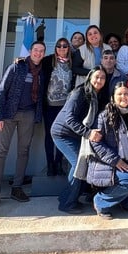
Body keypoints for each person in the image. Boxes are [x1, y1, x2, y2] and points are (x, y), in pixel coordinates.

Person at [0, 40, 47, 209]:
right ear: (30, 51)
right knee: (1, 152)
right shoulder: (16, 67)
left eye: (42, 51)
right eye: (36, 50)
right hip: (8, 115)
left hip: (28, 115)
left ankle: (17, 187)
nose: (38, 53)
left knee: (23, 151)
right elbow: (0, 91)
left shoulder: (42, 72)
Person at [87, 81, 128, 219]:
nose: (123, 97)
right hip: (110, 162)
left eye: (126, 94)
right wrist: (116, 160)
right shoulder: (104, 116)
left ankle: (125, 202)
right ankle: (100, 202)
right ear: (113, 97)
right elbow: (97, 143)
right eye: (119, 94)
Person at [50, 67, 108, 214]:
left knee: (82, 163)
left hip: (75, 135)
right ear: (89, 78)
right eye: (96, 77)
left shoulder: (97, 96)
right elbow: (69, 118)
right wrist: (88, 133)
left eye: (102, 78)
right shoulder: (80, 93)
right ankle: (67, 203)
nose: (99, 80)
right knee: (78, 163)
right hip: (62, 133)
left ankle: (66, 196)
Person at [42, 37, 75, 176]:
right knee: (49, 135)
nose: (62, 48)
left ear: (69, 48)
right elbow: (33, 62)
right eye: (59, 46)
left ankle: (59, 163)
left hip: (64, 107)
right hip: (49, 106)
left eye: (65, 46)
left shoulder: (73, 64)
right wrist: (20, 60)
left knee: (62, 135)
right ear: (55, 48)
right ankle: (50, 165)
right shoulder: (48, 61)